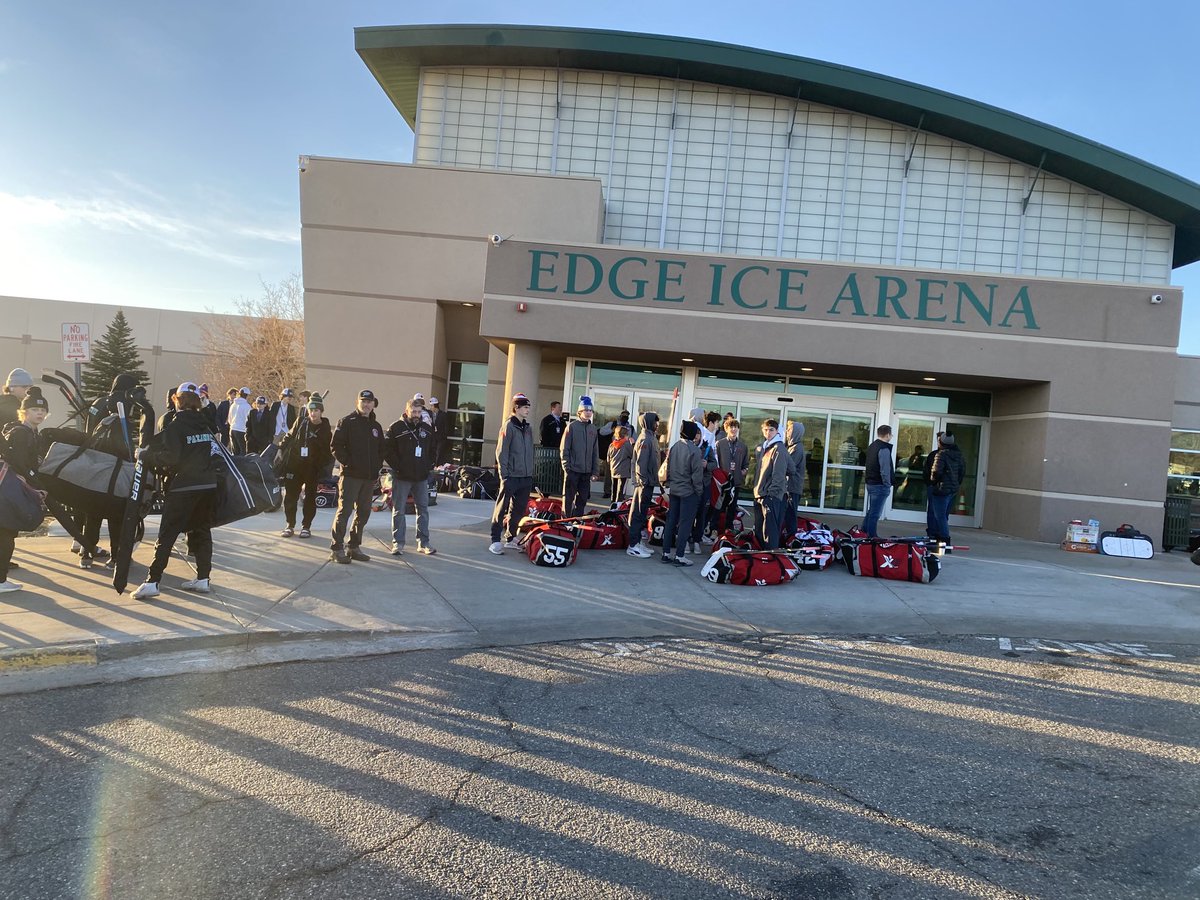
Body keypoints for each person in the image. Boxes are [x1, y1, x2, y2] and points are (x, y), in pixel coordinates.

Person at [131, 384, 219, 600]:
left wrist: (144, 456)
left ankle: (152, 581)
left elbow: (171, 458)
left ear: (177, 401)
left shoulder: (176, 426)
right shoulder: (205, 424)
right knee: (202, 532)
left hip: (183, 487)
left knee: (167, 534)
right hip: (207, 485)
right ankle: (203, 578)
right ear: (197, 402)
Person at [0, 393, 49, 593]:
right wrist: (35, 485)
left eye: (43, 410)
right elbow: (20, 463)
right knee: (6, 534)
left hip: (9, 490)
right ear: (24, 412)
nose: (39, 413)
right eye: (35, 410)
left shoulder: (29, 432)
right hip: (10, 491)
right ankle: (1, 581)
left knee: (6, 533)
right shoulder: (22, 433)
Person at [329, 390, 386, 564]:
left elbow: (381, 449)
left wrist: (377, 467)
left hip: (368, 478)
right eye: (363, 401)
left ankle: (353, 546)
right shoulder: (347, 422)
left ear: (374, 404)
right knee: (344, 512)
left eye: (369, 402)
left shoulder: (375, 426)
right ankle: (336, 548)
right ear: (357, 402)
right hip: (351, 476)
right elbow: (336, 446)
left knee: (363, 513)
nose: (366, 404)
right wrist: (348, 463)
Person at [386, 397, 438, 556]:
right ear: (407, 411)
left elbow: (433, 449)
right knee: (399, 510)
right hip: (402, 477)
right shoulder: (396, 428)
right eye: (413, 411)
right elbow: (387, 451)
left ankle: (423, 542)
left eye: (419, 412)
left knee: (423, 509)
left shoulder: (427, 428)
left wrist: (428, 466)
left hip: (421, 477)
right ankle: (398, 543)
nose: (416, 414)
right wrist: (398, 467)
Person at [279, 395, 333, 539]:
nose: (313, 413)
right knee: (290, 496)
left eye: (316, 410)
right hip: (295, 466)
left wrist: (321, 466)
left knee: (310, 498)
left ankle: (306, 526)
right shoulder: (301, 422)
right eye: (311, 410)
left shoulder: (325, 428)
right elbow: (289, 436)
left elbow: (329, 451)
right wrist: (280, 449)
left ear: (321, 411)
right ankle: (289, 525)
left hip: (312, 468)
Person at [489, 394, 535, 555]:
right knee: (501, 508)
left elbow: (530, 451)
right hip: (511, 476)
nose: (528, 410)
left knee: (518, 509)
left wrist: (530, 472)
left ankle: (510, 538)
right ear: (516, 408)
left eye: (528, 407)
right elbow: (502, 452)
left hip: (525, 476)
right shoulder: (508, 426)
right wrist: (505, 476)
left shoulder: (528, 428)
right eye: (525, 407)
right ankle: (495, 540)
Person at [661, 420, 703, 566]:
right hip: (688, 492)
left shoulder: (674, 447)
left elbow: (668, 469)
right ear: (692, 433)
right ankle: (679, 556)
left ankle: (665, 553)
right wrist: (699, 492)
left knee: (671, 521)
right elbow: (697, 476)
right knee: (685, 524)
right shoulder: (695, 450)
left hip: (674, 490)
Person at [625, 411, 660, 558]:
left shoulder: (651, 437)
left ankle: (637, 541)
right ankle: (633, 545)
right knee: (638, 513)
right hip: (644, 482)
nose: (657, 424)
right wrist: (643, 480)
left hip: (648, 481)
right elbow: (641, 463)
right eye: (655, 422)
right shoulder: (645, 439)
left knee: (642, 512)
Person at [560, 396, 599, 517]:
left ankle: (577, 519)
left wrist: (595, 471)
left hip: (586, 472)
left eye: (590, 411)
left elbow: (595, 452)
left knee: (582, 499)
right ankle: (565, 520)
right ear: (579, 412)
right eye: (586, 410)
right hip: (573, 470)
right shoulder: (572, 427)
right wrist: (567, 467)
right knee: (568, 498)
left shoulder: (593, 429)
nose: (588, 413)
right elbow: (564, 448)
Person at [687, 410, 719, 554]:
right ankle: (687, 540)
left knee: (701, 514)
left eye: (699, 433)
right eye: (696, 433)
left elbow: (714, 464)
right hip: (689, 485)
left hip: (704, 484)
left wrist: (707, 465)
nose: (698, 436)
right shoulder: (686, 446)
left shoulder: (707, 446)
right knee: (688, 515)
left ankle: (697, 539)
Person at [754, 419, 788, 549]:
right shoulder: (764, 447)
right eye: (766, 430)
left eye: (771, 430)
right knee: (759, 530)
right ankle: (760, 557)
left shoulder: (778, 448)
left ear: (777, 431)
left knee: (770, 531)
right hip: (759, 493)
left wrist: (771, 494)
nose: (768, 432)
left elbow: (781, 474)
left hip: (770, 496)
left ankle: (770, 558)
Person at [927, 432, 966, 543]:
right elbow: (962, 472)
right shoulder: (959, 455)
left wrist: (934, 483)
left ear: (941, 442)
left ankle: (944, 539)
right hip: (952, 489)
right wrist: (956, 483)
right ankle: (942, 537)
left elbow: (936, 472)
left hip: (941, 489)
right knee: (944, 516)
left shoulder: (941, 455)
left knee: (939, 516)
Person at [712, 418, 749, 533]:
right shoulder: (720, 444)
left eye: (735, 427)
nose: (733, 429)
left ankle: (728, 530)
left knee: (732, 507)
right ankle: (714, 530)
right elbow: (715, 462)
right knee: (719, 506)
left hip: (736, 481)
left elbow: (746, 463)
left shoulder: (743, 446)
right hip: (723, 482)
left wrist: (744, 470)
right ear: (726, 429)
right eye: (731, 427)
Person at [861, 424, 894, 538]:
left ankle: (863, 531)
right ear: (888, 435)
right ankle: (872, 536)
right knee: (875, 514)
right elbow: (885, 469)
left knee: (871, 511)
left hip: (871, 482)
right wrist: (887, 484)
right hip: (879, 485)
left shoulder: (872, 446)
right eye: (891, 434)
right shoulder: (883, 449)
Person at [784, 421, 806, 538]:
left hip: (793, 486)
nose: (787, 433)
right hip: (790, 486)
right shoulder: (792, 447)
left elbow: (789, 467)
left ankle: (791, 537)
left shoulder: (797, 448)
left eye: (790, 430)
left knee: (791, 514)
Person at [607, 425, 633, 503]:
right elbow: (633, 455)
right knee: (621, 489)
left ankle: (613, 503)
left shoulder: (612, 445)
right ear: (625, 435)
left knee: (614, 488)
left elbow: (608, 459)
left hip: (614, 470)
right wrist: (633, 444)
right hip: (623, 471)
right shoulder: (627, 445)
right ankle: (618, 504)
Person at [227, 387, 252, 454]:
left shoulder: (233, 405)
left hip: (232, 429)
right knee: (243, 452)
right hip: (242, 431)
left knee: (234, 452)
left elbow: (229, 419)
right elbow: (249, 421)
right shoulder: (247, 406)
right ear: (247, 396)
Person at [427, 397, 448, 464]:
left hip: (440, 438)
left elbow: (446, 427)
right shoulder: (429, 414)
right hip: (432, 438)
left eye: (431, 406)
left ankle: (437, 466)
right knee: (432, 452)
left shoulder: (443, 415)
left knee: (438, 454)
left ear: (434, 406)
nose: (430, 408)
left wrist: (444, 436)